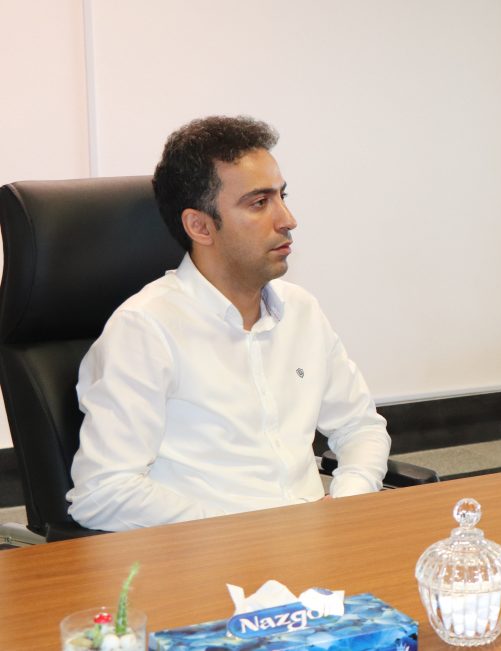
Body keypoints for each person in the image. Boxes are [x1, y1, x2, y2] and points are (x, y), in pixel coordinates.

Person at [67, 116, 391, 531]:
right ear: (200, 226)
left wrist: (348, 500)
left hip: (312, 545)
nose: (287, 219)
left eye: (282, 196)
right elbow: (103, 493)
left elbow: (360, 427)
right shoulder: (144, 329)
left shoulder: (301, 311)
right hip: (213, 557)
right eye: (259, 203)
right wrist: (242, 533)